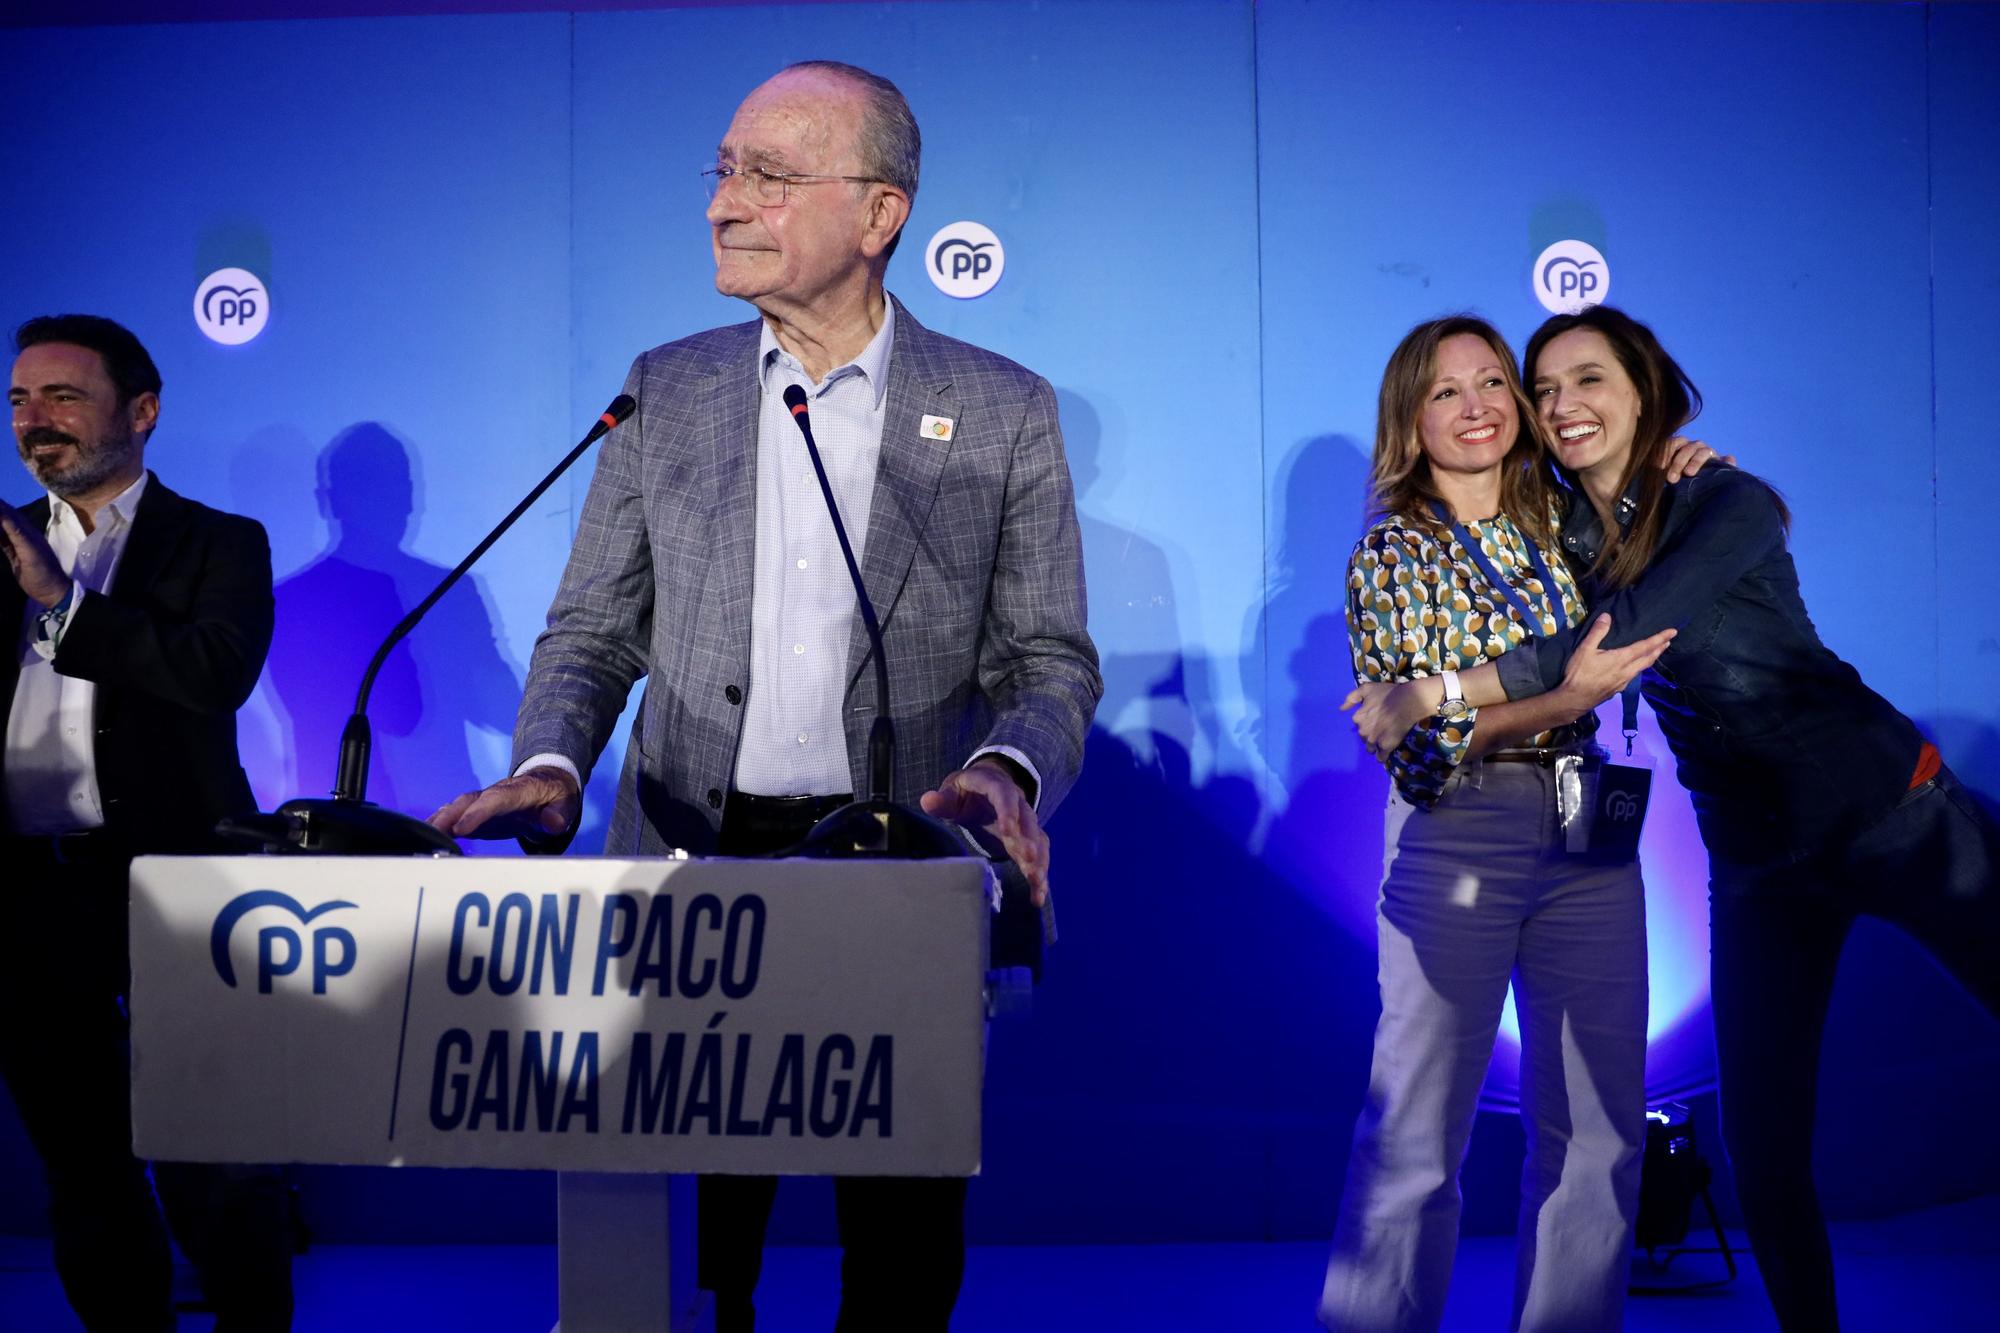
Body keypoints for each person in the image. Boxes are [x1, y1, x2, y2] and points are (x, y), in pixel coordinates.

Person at [430, 61, 1100, 1331]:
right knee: (699, 1230)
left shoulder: (1001, 409)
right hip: (689, 848)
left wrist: (1005, 774)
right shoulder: (664, 386)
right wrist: (552, 765)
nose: (723, 204)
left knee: (898, 1227)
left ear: (879, 214)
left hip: (894, 859)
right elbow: (590, 626)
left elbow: (1048, 660)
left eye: (769, 176)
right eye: (722, 170)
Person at [1347, 304, 2000, 1331]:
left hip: (1888, 811)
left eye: (1585, 381)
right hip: (1752, 863)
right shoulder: (1548, 529)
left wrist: (1431, 691)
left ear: (1645, 393)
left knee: (1606, 1132)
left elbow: (1615, 634)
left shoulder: (1720, 498)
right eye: (1545, 387)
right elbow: (1560, 614)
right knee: (1760, 1150)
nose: (1557, 405)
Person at [1319, 315, 1681, 1333]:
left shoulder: (1572, 528)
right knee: (1415, 1131)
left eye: (1491, 383)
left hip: (1586, 824)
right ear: (1409, 418)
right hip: (1456, 829)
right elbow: (1421, 749)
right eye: (1445, 391)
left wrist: (1680, 460)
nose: (1475, 405)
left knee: (1599, 1128)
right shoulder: (1390, 556)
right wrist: (1558, 701)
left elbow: (1664, 518)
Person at [1, 314, 292, 1330]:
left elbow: (213, 673)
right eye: (19, 401)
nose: (35, 423)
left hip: (178, 884)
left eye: (63, 397)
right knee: (83, 1174)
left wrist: (59, 604)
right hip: (31, 894)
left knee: (217, 1166)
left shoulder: (218, 543)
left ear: (143, 410)